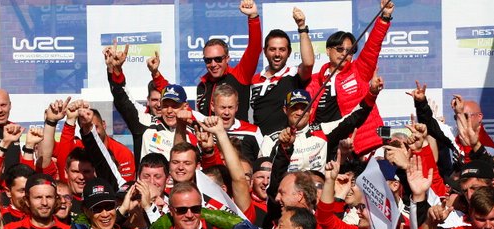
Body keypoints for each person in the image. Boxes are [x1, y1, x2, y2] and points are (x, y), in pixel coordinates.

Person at [306, 0, 394, 156]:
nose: (344, 53)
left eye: (350, 50)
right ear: (328, 50)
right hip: (323, 147)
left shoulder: (359, 70)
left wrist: (384, 17)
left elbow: (372, 47)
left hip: (360, 146)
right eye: (339, 49)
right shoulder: (314, 80)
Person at [150, 0, 262, 122]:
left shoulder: (240, 75)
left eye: (218, 59)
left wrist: (253, 17)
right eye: (208, 60)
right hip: (208, 140)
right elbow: (175, 97)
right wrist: (156, 74)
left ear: (227, 58)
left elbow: (254, 49)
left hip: (236, 140)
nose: (213, 64)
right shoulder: (202, 86)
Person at [250, 8, 315, 137]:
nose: (277, 54)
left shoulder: (293, 75)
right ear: (265, 51)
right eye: (272, 49)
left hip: (286, 143)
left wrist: (302, 27)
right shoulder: (253, 80)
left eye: (282, 49)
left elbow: (308, 64)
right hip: (258, 145)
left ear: (289, 52)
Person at [4, 174, 70, 229]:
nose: (44, 203)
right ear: (27, 201)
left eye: (49, 197)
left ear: (55, 199)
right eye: (38, 197)